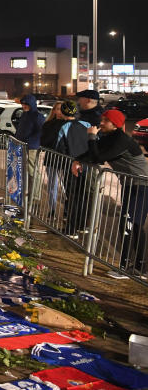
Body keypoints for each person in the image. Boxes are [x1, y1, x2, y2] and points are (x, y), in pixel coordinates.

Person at [75, 108, 148, 278]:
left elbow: (99, 158)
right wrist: (77, 160)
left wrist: (91, 137)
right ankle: (134, 267)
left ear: (115, 124)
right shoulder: (110, 137)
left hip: (141, 187)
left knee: (131, 225)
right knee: (129, 225)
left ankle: (134, 268)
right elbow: (91, 155)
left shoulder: (122, 140)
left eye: (105, 121)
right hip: (130, 186)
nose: (101, 123)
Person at [54, 100, 95, 237]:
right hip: (88, 166)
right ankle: (82, 226)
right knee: (84, 197)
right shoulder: (87, 124)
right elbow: (94, 141)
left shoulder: (64, 127)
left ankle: (71, 229)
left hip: (71, 166)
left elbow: (59, 148)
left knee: (73, 198)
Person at [14, 94, 45, 189]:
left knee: (32, 171)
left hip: (31, 147)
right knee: (25, 170)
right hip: (22, 145)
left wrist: (29, 141)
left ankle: (34, 195)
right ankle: (27, 192)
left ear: (31, 104)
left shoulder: (37, 116)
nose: (23, 106)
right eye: (22, 104)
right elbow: (21, 129)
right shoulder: (25, 114)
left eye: (26, 104)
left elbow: (40, 131)